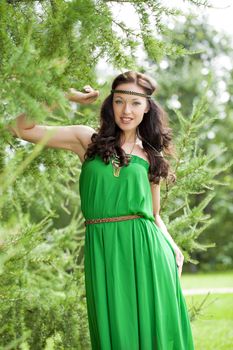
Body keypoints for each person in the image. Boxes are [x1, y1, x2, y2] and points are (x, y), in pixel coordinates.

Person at [8, 70, 195, 349]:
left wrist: (173, 248)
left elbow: (153, 215)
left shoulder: (151, 156)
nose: (126, 110)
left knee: (154, 331)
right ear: (110, 104)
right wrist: (64, 95)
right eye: (119, 101)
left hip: (146, 251)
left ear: (147, 108)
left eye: (134, 103)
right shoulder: (87, 140)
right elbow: (20, 128)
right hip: (103, 247)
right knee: (116, 333)